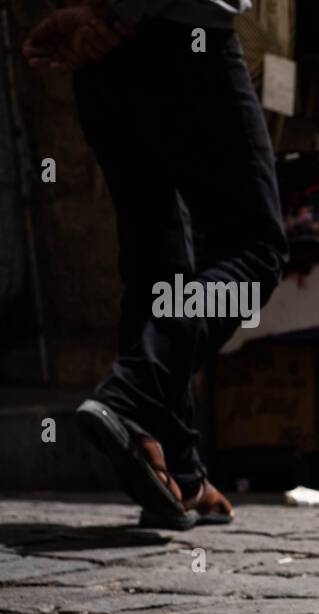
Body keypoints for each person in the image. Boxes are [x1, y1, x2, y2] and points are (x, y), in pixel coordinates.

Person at [24, 0, 287, 528]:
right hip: (179, 34)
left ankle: (177, 467)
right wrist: (114, 10)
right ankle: (133, 394)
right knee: (256, 249)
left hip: (102, 58)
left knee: (156, 263)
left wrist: (79, 13)